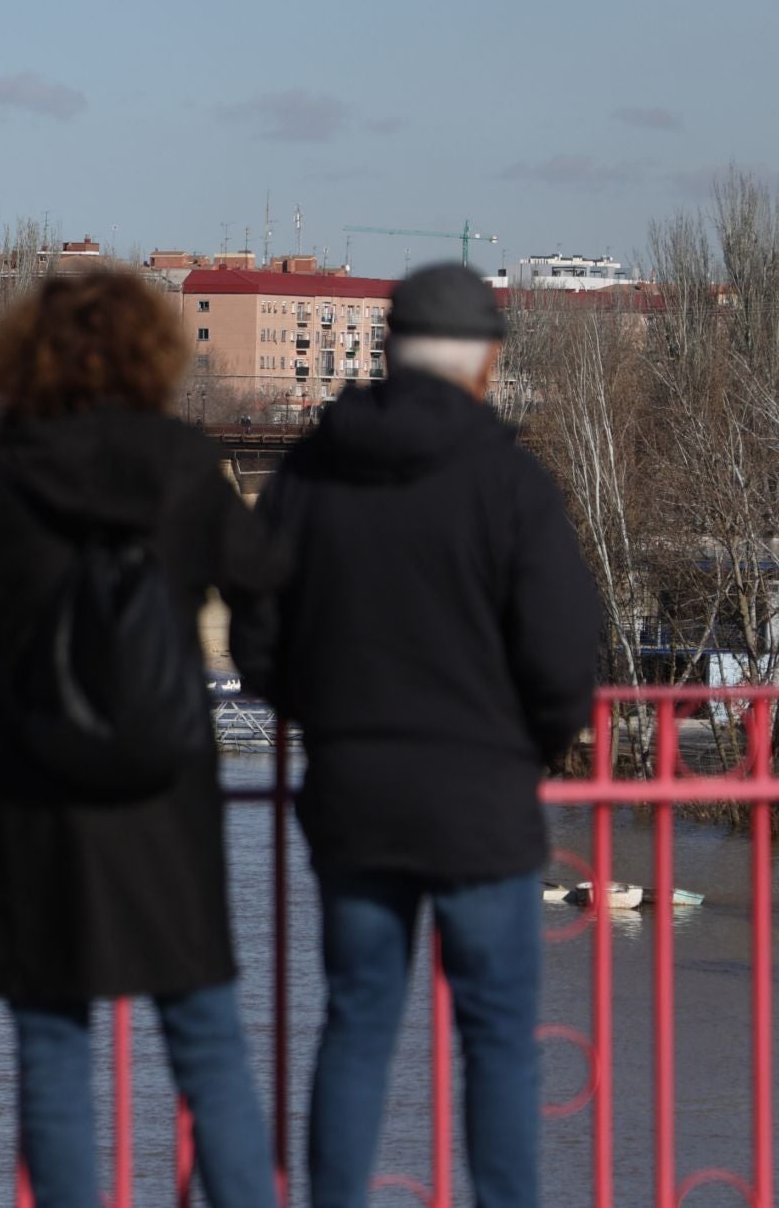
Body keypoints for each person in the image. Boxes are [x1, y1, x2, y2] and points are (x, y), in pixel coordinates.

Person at [0, 268, 283, 1208]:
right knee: (209, 1047)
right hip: (163, 793)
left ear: (29, 359)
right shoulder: (182, 462)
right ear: (153, 356)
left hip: (30, 794)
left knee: (54, 1053)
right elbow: (269, 581)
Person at [230, 263, 600, 1208]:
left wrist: (332, 717)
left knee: (356, 1026)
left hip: (356, 798)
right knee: (497, 1039)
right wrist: (531, 744)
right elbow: (564, 659)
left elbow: (255, 633)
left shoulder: (313, 472)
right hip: (483, 804)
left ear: (389, 351)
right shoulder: (513, 485)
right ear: (485, 365)